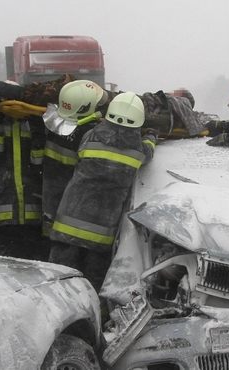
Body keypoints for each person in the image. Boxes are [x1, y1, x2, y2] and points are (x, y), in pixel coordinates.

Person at [49, 92, 158, 292]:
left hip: (67, 224)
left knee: (59, 284)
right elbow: (149, 150)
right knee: (90, 287)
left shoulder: (89, 137)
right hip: (100, 234)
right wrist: (151, 135)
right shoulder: (139, 151)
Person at [0, 81, 48, 261]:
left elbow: (38, 161)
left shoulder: (31, 125)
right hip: (1, 214)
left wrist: (38, 130)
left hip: (31, 214)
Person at [41, 80, 107, 237]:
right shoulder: (89, 136)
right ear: (85, 108)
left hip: (52, 206)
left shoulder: (54, 123)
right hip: (74, 218)